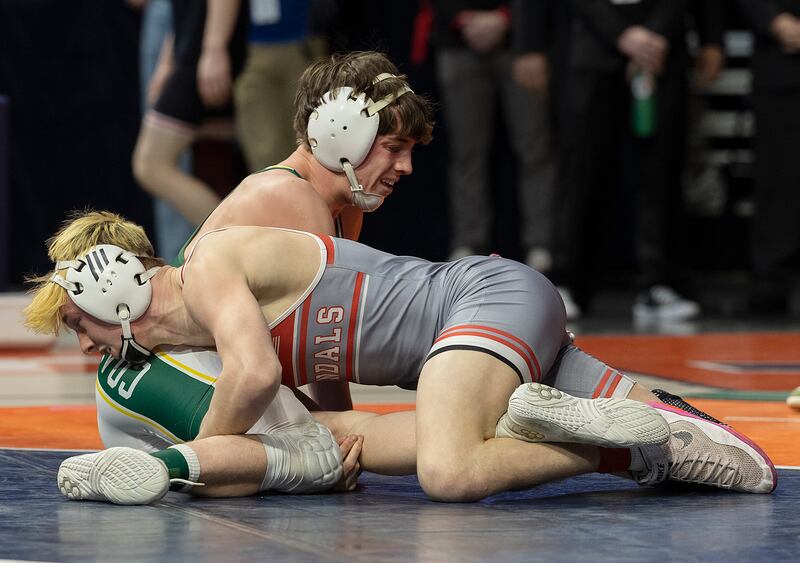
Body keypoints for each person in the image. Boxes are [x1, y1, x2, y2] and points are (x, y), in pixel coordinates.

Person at [24, 212, 776, 504]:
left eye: (80, 325)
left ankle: (618, 446)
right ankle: (655, 431)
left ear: (114, 292)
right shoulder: (208, 324)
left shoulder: (209, 264)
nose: (86, 346)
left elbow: (255, 376)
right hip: (490, 332)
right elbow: (319, 392)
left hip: (478, 304)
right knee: (744, 462)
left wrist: (205, 456)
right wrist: (323, 451)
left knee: (451, 472)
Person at [127, 49, 434, 411]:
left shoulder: (345, 206)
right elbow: (320, 345)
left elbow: (323, 347)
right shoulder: (291, 195)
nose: (406, 166)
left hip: (215, 365)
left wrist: (338, 420)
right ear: (342, 135)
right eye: (394, 148)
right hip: (176, 365)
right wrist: (337, 423)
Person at [549, 0, 702, 322]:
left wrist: (653, 34)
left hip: (660, 53)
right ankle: (567, 281)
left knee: (661, 172)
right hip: (593, 47)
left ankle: (658, 283)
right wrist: (622, 33)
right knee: (581, 171)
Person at [431, 1, 556, 270]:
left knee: (535, 148)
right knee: (466, 152)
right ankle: (468, 244)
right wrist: (462, 18)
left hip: (521, 44)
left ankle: (543, 245)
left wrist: (505, 18)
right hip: (457, 41)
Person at [131, 0, 249, 226]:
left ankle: (232, 233)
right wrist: (168, 62)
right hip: (193, 50)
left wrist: (215, 48)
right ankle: (233, 233)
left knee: (151, 164)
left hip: (204, 53)